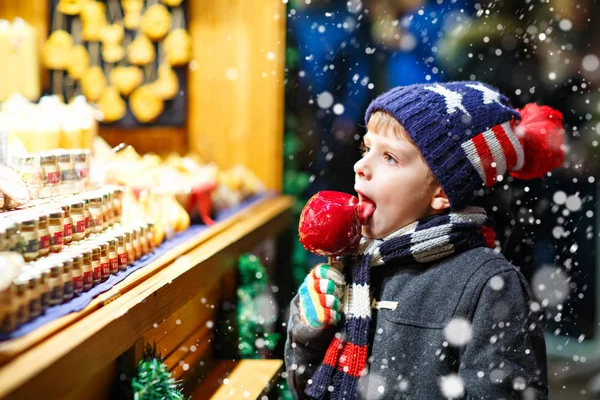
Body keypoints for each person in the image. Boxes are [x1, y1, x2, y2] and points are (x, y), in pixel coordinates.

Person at [285, 81, 565, 399]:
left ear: (443, 191)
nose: (360, 166)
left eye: (390, 157)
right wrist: (309, 333)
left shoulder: (491, 286)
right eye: (366, 149)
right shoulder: (355, 264)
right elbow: (306, 390)